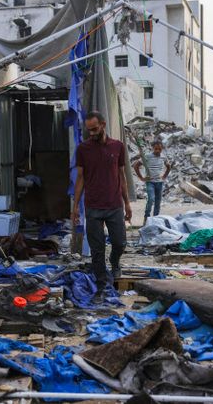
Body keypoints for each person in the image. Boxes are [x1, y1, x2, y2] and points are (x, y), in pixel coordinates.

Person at [73, 111, 132, 302]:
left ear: (103, 125)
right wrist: (75, 206)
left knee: (120, 243)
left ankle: (114, 262)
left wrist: (127, 203)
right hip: (93, 206)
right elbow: (80, 178)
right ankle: (102, 285)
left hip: (114, 205)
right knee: (97, 250)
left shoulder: (118, 146)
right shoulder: (83, 149)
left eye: (95, 129)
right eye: (89, 130)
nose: (92, 133)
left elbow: (122, 176)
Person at [134, 140, 171, 225]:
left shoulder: (163, 157)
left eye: (159, 149)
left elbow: (168, 167)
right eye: (156, 149)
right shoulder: (147, 156)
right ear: (152, 148)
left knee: (158, 202)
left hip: (159, 183)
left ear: (162, 148)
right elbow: (136, 166)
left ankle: (155, 220)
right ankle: (146, 217)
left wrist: (164, 176)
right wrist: (141, 178)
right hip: (150, 182)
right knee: (151, 199)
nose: (157, 151)